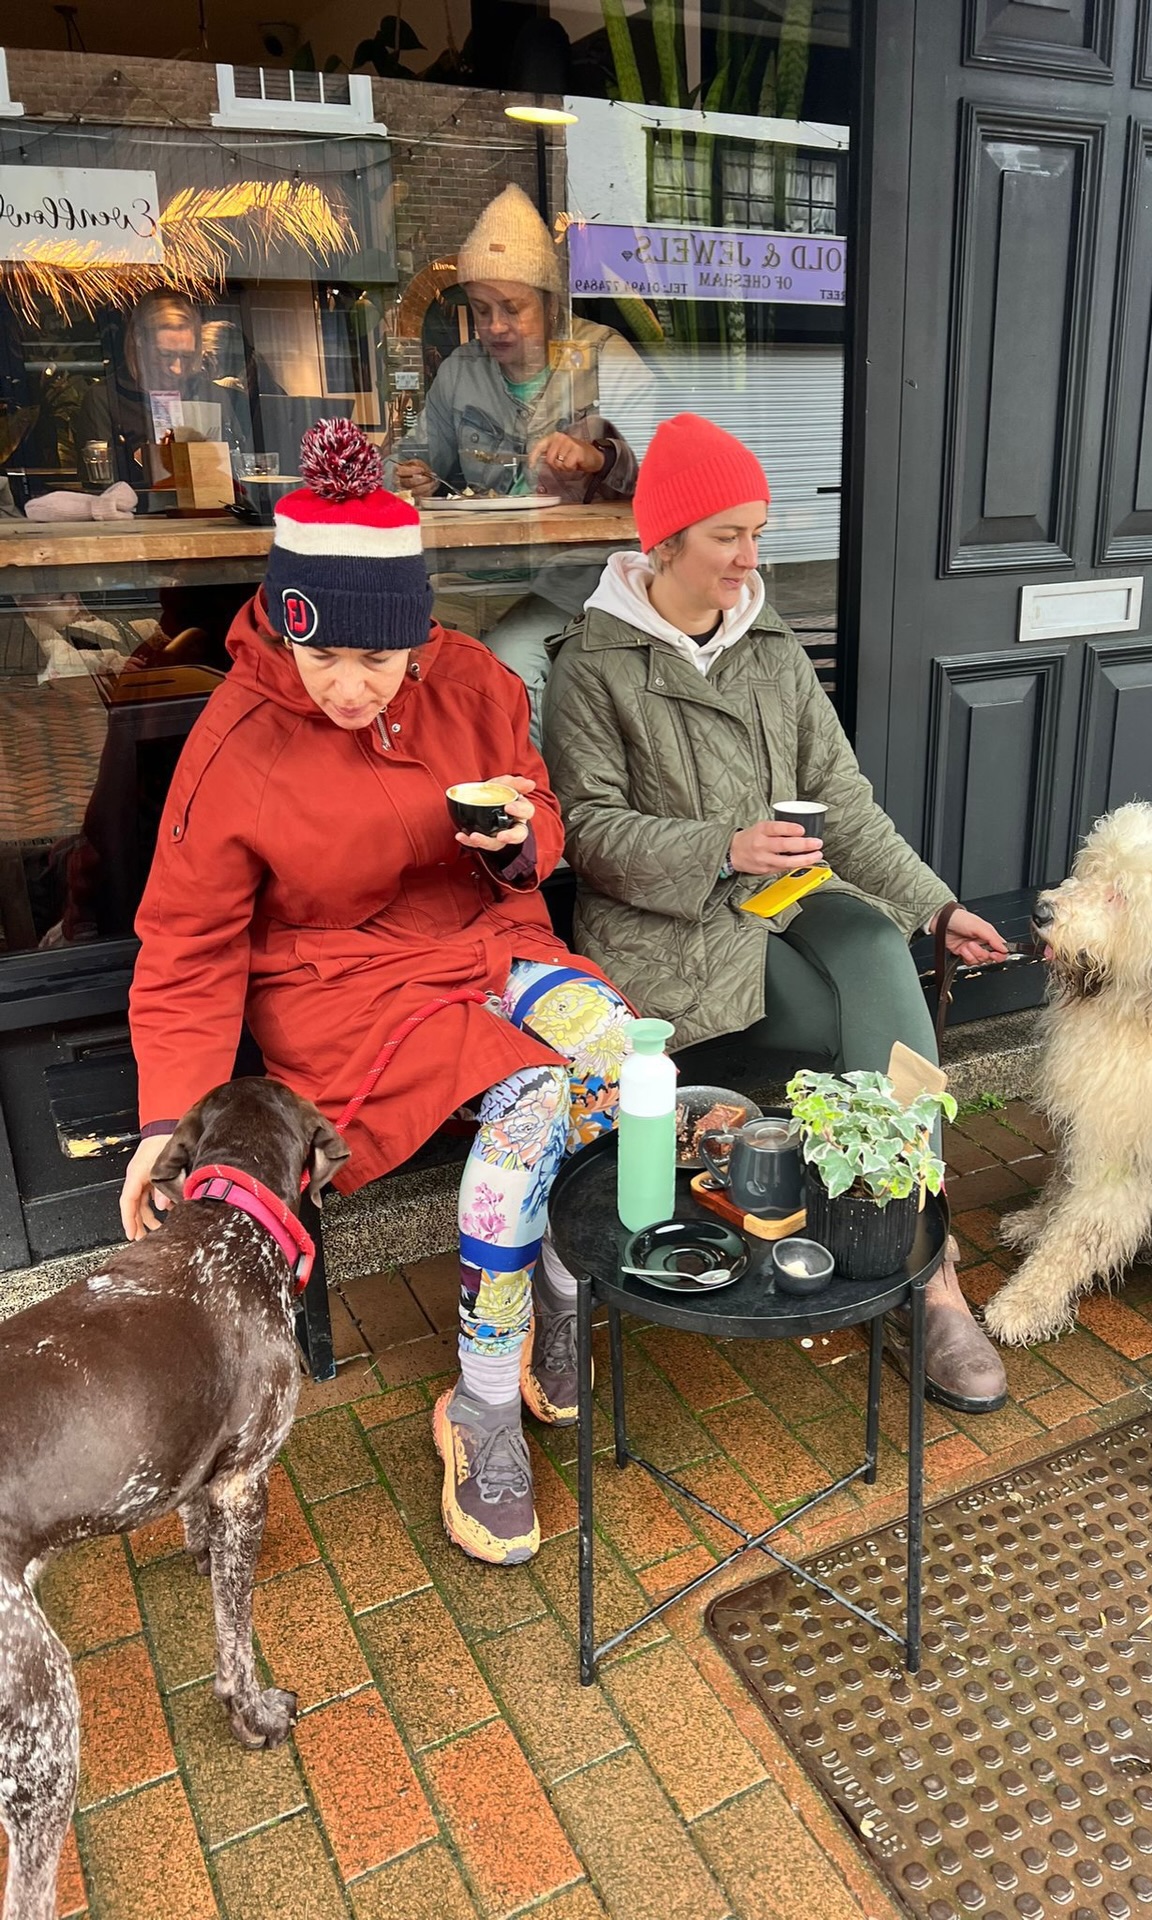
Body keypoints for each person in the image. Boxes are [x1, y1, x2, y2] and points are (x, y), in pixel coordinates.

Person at [119, 419, 631, 1568]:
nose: (350, 687)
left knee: (620, 1055)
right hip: (340, 983)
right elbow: (190, 942)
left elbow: (541, 819)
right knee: (537, 1105)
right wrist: (173, 1118)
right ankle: (482, 1405)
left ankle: (552, 1286)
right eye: (323, 659)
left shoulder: (475, 683)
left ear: (420, 634)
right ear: (285, 628)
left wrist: (516, 842)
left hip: (482, 939)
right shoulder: (235, 739)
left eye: (379, 659)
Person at [544, 414, 1011, 1413]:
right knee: (876, 1032)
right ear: (664, 541)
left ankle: (927, 1269)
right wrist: (722, 846)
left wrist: (935, 907)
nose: (752, 558)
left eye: (758, 532)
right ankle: (918, 1270)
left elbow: (841, 799)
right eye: (728, 536)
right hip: (673, 934)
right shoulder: (591, 666)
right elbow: (587, 834)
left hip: (786, 907)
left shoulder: (771, 644)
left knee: (883, 951)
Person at [392, 185, 651, 740]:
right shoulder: (461, 370)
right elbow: (413, 457)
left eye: (514, 308)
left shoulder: (606, 356)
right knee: (402, 655)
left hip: (584, 575)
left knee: (510, 658)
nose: (496, 327)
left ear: (552, 304)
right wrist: (405, 474)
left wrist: (600, 455)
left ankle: (530, 809)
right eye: (482, 310)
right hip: (476, 575)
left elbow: (664, 471)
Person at [75, 291, 250, 505]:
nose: (177, 369)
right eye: (165, 355)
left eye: (186, 356)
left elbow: (242, 467)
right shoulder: (104, 398)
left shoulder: (211, 394)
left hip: (212, 516)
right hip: (136, 524)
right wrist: (143, 461)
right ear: (139, 338)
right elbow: (97, 487)